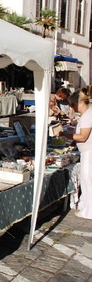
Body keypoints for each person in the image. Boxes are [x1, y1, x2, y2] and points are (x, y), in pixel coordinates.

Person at [57, 89, 92, 219]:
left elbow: (82, 136)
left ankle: (89, 211)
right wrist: (69, 130)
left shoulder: (88, 115)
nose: (72, 107)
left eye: (73, 104)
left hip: (89, 151)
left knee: (88, 181)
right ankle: (86, 206)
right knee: (86, 180)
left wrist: (65, 134)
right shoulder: (87, 114)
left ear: (81, 102)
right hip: (87, 151)